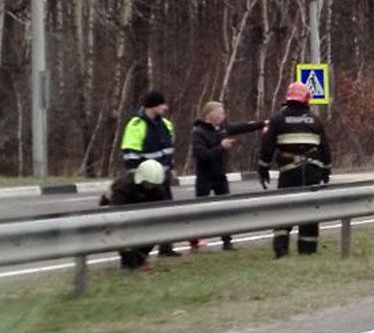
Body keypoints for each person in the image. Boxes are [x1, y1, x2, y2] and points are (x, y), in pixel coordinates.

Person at [258, 82, 332, 258]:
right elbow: (325, 148)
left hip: (289, 172)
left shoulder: (277, 119)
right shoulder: (315, 120)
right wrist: (326, 171)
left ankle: (281, 250)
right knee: (310, 210)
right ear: (306, 99)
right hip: (312, 171)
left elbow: (267, 147)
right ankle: (307, 251)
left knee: (284, 210)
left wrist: (263, 169)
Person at [190, 101, 265, 251]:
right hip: (205, 176)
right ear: (211, 114)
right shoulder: (198, 132)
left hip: (220, 175)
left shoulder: (223, 129)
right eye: (221, 112)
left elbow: (242, 127)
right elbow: (201, 155)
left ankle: (227, 241)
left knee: (226, 208)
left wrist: (262, 123)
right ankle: (194, 239)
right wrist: (221, 147)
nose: (224, 115)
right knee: (200, 209)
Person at [121, 91, 179, 256]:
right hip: (146, 180)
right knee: (145, 215)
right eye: (162, 104)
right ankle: (138, 250)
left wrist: (172, 168)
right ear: (153, 106)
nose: (165, 107)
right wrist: (136, 177)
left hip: (163, 177)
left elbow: (169, 150)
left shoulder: (166, 124)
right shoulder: (136, 125)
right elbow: (130, 153)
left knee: (167, 212)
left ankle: (166, 247)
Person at [98, 159, 168, 271]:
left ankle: (140, 259)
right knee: (125, 240)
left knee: (151, 233)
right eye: (147, 184)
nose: (150, 187)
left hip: (138, 211)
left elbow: (161, 210)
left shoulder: (158, 190)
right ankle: (129, 262)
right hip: (115, 210)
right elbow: (115, 211)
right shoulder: (123, 186)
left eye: (153, 185)